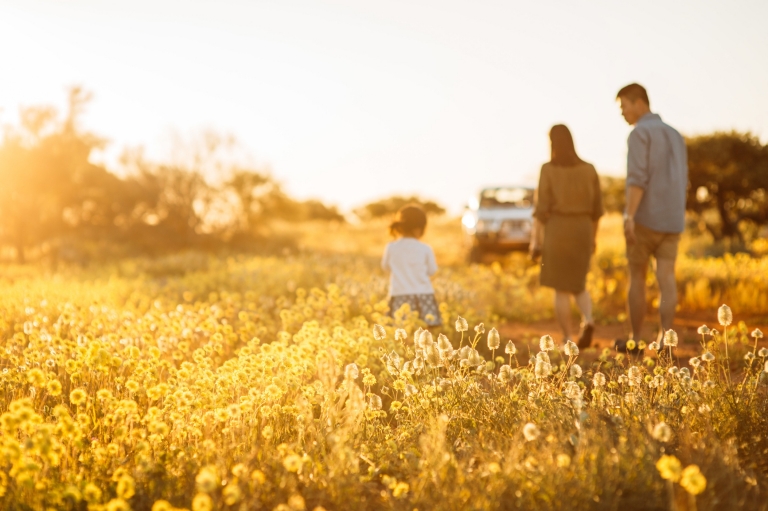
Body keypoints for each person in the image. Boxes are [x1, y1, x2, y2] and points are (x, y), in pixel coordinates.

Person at [616, 83, 687, 350]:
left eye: (624, 106)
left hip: (645, 219)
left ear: (638, 103)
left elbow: (637, 179)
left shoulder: (639, 134)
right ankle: (665, 341)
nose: (623, 113)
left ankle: (635, 340)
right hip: (672, 220)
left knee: (637, 276)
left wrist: (629, 216)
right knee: (666, 278)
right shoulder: (675, 135)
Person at [530, 125, 604, 348]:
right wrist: (592, 238)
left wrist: (535, 241)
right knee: (578, 283)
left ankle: (568, 339)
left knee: (560, 288)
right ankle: (588, 320)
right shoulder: (589, 169)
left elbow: (540, 210)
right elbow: (597, 210)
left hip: (558, 229)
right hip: (583, 229)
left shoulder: (548, 169)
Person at [382, 205, 442, 327]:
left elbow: (385, 267)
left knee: (402, 333)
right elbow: (432, 271)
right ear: (419, 228)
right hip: (423, 295)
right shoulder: (425, 248)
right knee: (425, 332)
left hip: (399, 294)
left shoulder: (391, 247)